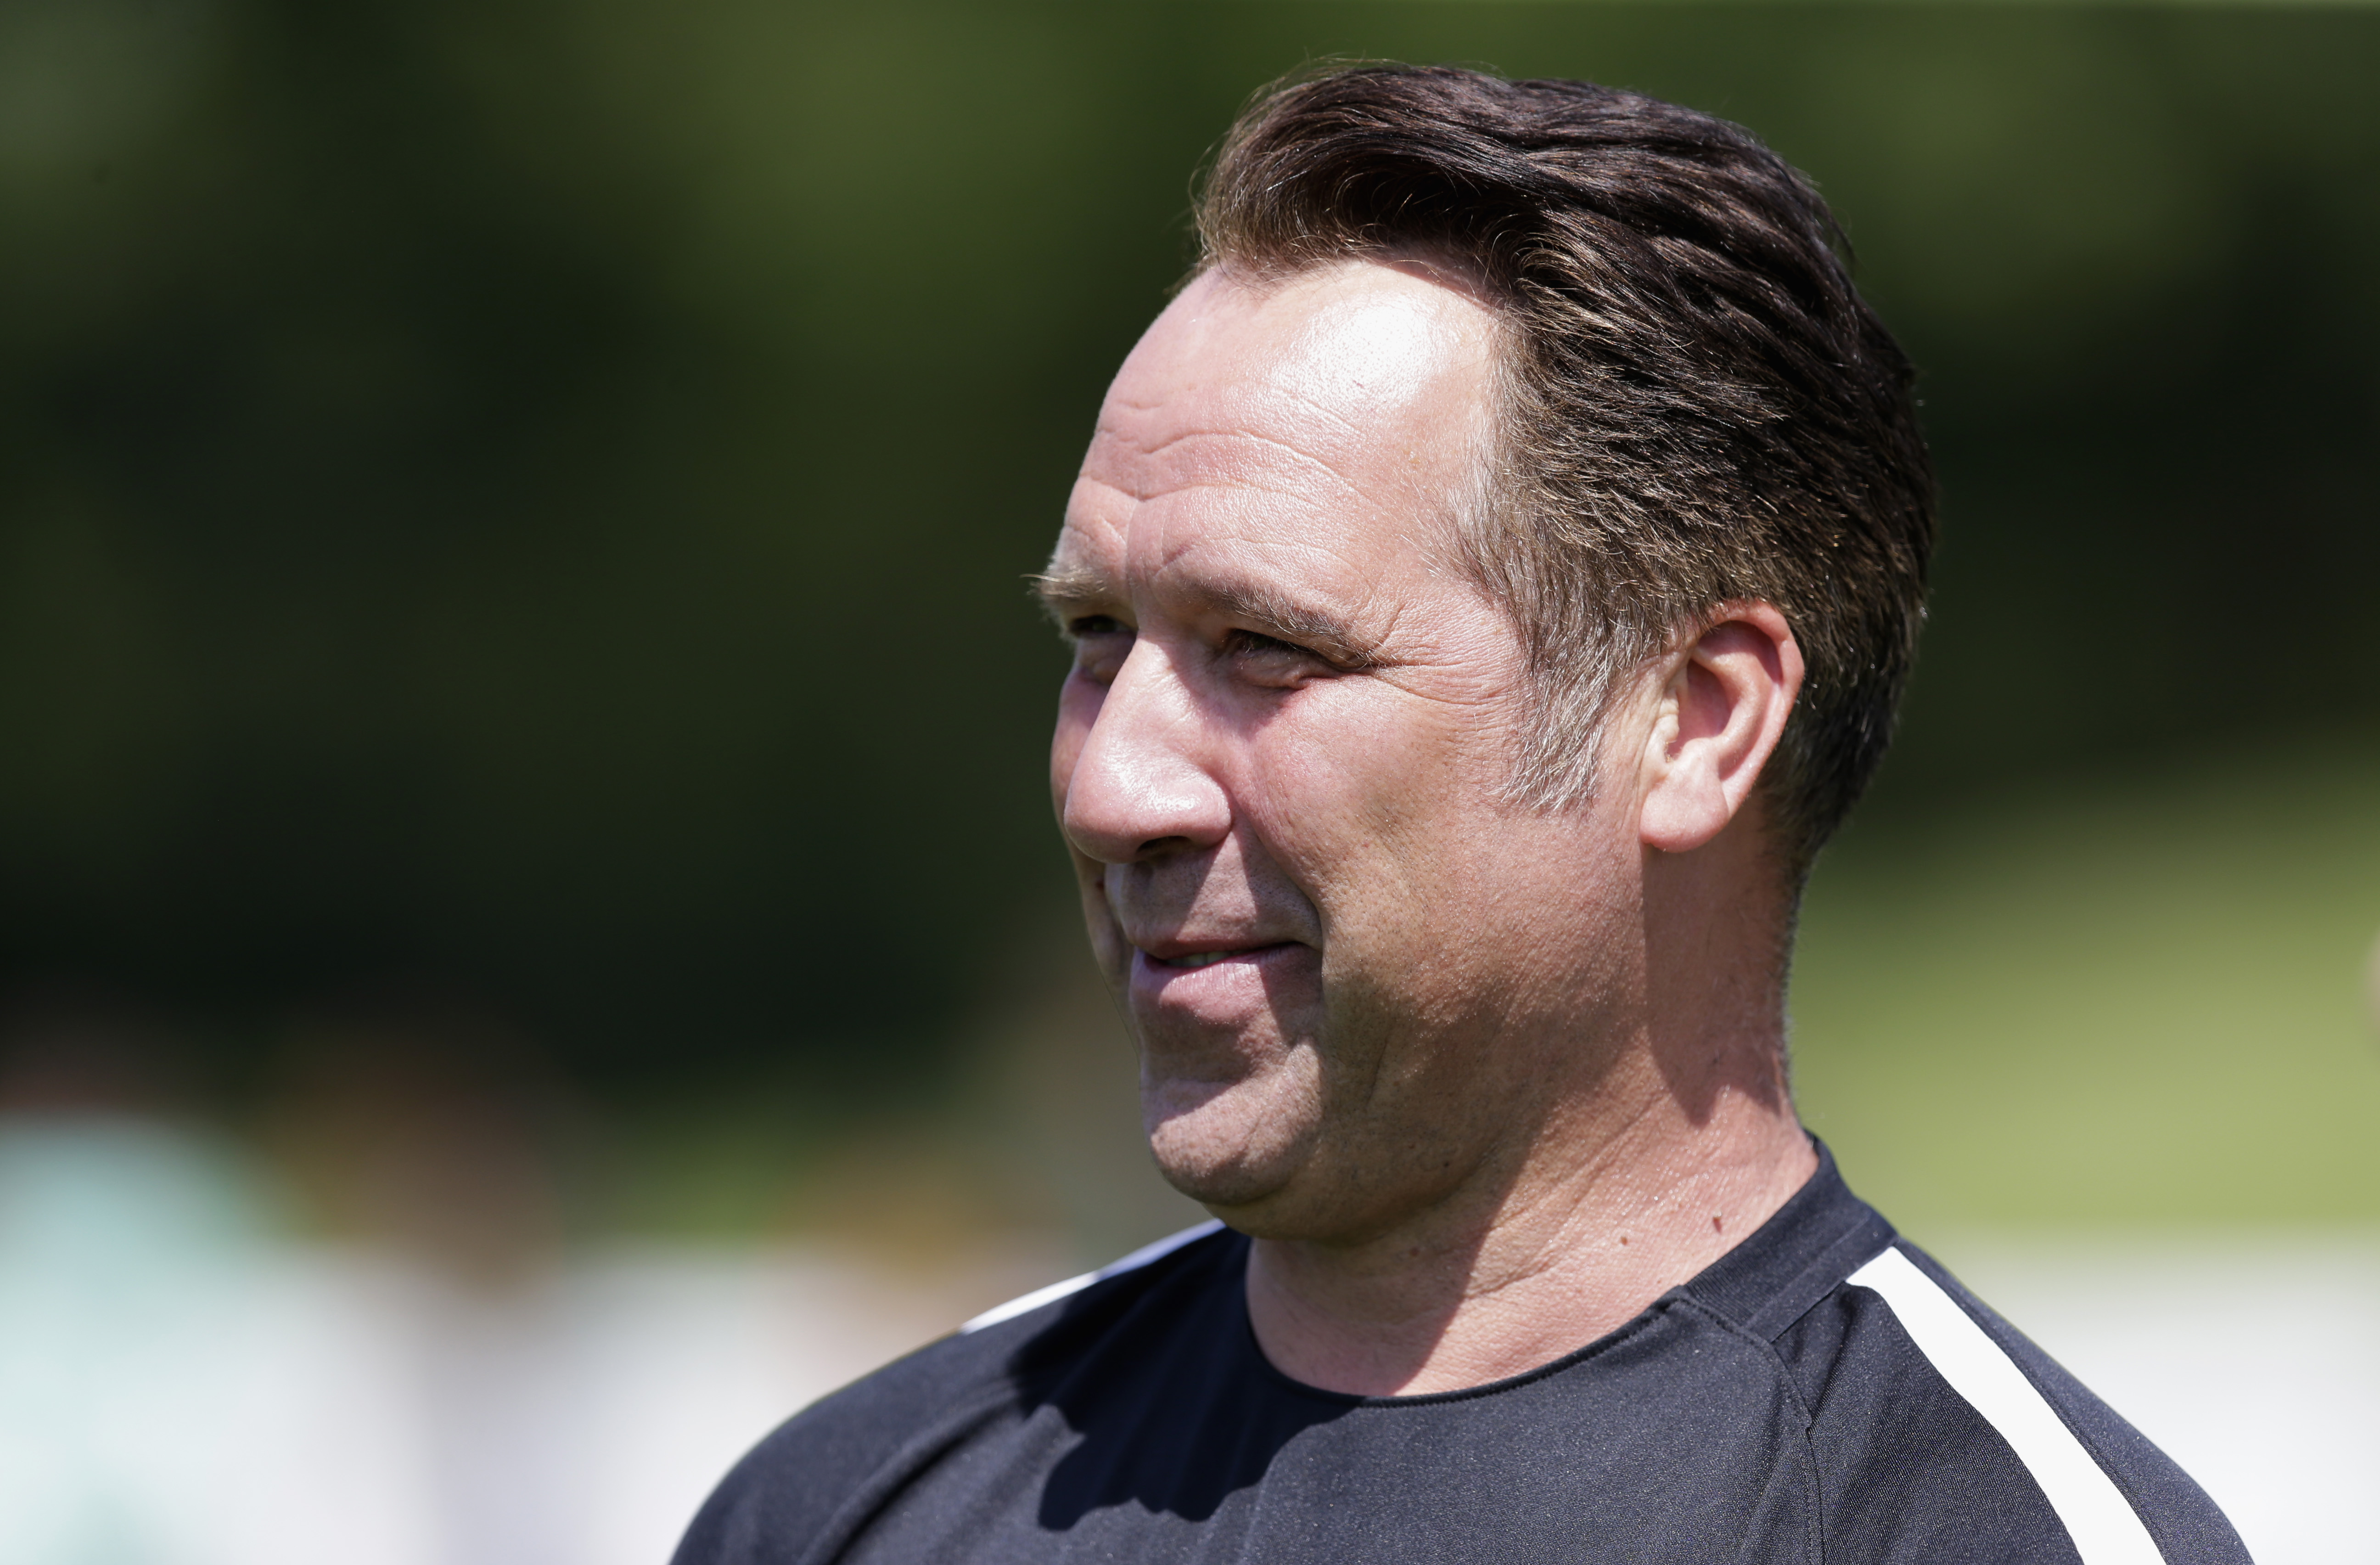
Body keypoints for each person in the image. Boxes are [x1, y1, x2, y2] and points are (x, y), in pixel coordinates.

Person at [673, 65, 2247, 1564]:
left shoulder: (1985, 1534)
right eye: (1097, 641)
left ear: (1693, 721)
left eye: (1266, 650)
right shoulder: (851, 1508)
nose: (1110, 788)